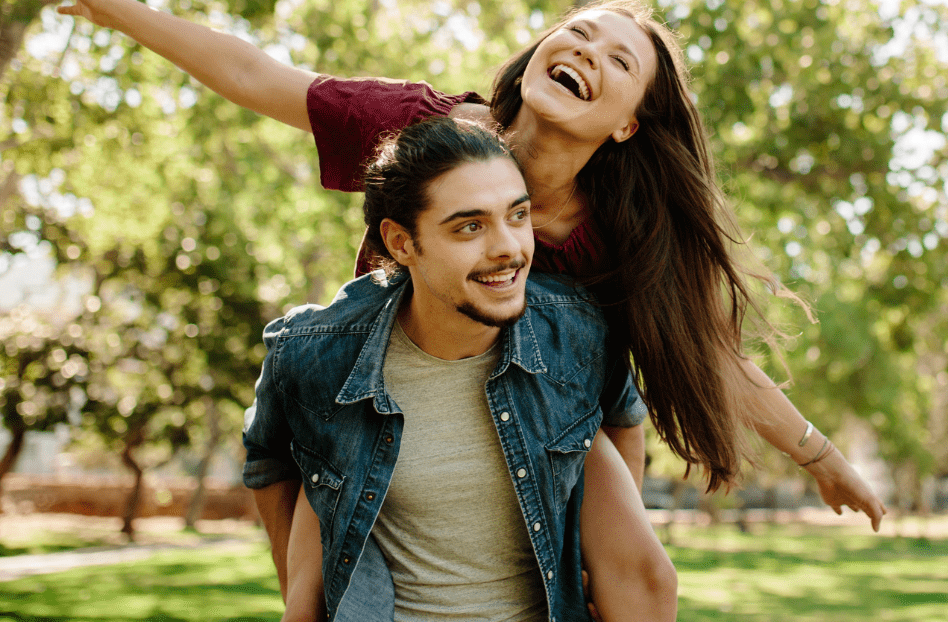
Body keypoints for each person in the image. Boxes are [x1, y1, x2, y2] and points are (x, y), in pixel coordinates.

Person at [37, 0, 887, 616]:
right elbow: (264, 78)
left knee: (635, 569)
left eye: (617, 60)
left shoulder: (616, 235)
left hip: (547, 417)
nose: (586, 52)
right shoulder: (426, 132)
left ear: (628, 121)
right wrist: (109, 5)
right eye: (577, 34)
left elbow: (703, 355)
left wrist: (821, 456)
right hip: (388, 402)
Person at [242, 116, 658, 621]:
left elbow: (621, 419)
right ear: (401, 243)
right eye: (470, 226)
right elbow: (269, 461)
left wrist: (604, 546)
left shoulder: (578, 331)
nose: (508, 247)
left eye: (518, 215)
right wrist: (305, 594)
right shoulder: (311, 355)